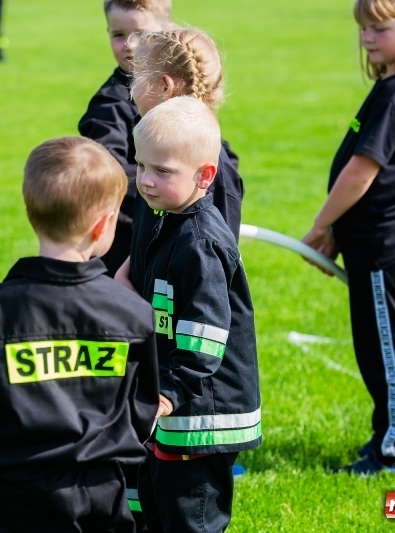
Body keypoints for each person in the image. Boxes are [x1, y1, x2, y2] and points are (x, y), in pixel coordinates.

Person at [0, 136, 160, 533]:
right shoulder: (132, 313)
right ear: (104, 224)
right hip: (104, 492)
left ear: (31, 212)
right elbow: (141, 408)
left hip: (19, 497)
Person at [301, 0, 395, 475]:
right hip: (370, 238)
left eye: (380, 28)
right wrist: (342, 231)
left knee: (389, 349)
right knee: (375, 347)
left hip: (386, 241)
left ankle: (394, 450)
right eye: (364, 27)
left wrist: (322, 224)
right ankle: (385, 437)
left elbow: (363, 172)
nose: (367, 37)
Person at [122, 96, 261, 532]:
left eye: (162, 171)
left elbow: (205, 338)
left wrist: (168, 392)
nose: (145, 181)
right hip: (178, 401)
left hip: (204, 412)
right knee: (156, 504)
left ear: (205, 176)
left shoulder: (200, 243)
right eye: (140, 166)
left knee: (190, 516)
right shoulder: (171, 219)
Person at [117, 27, 245, 295]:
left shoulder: (212, 172)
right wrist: (129, 269)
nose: (132, 89)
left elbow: (212, 270)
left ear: (164, 86)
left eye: (136, 78)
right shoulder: (155, 155)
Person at [78, 0, 172, 276]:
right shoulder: (108, 105)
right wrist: (168, 184)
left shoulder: (176, 92)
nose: (130, 45)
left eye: (141, 34)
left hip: (172, 241)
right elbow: (109, 171)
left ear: (165, 30)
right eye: (118, 35)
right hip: (127, 250)